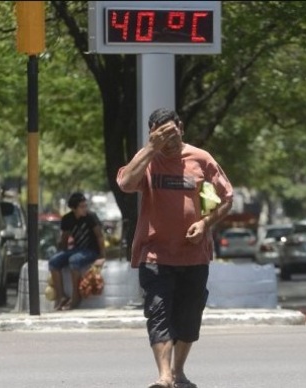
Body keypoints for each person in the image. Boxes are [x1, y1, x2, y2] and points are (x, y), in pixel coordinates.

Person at [116, 108, 233, 388]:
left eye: (171, 131)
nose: (168, 138)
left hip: (194, 256)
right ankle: (164, 376)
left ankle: (178, 371)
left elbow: (227, 198)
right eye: (161, 133)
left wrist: (206, 224)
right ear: (152, 133)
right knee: (158, 313)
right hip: (155, 254)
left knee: (188, 317)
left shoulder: (201, 159)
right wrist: (150, 148)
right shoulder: (148, 159)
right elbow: (125, 184)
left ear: (181, 127)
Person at [48, 192, 106, 311]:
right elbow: (64, 239)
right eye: (82, 207)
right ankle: (61, 297)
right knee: (54, 261)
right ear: (74, 208)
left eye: (86, 206)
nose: (85, 209)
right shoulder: (67, 219)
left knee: (74, 260)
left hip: (91, 250)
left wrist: (102, 256)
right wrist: (62, 255)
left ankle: (76, 298)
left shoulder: (91, 217)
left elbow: (99, 237)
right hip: (77, 249)